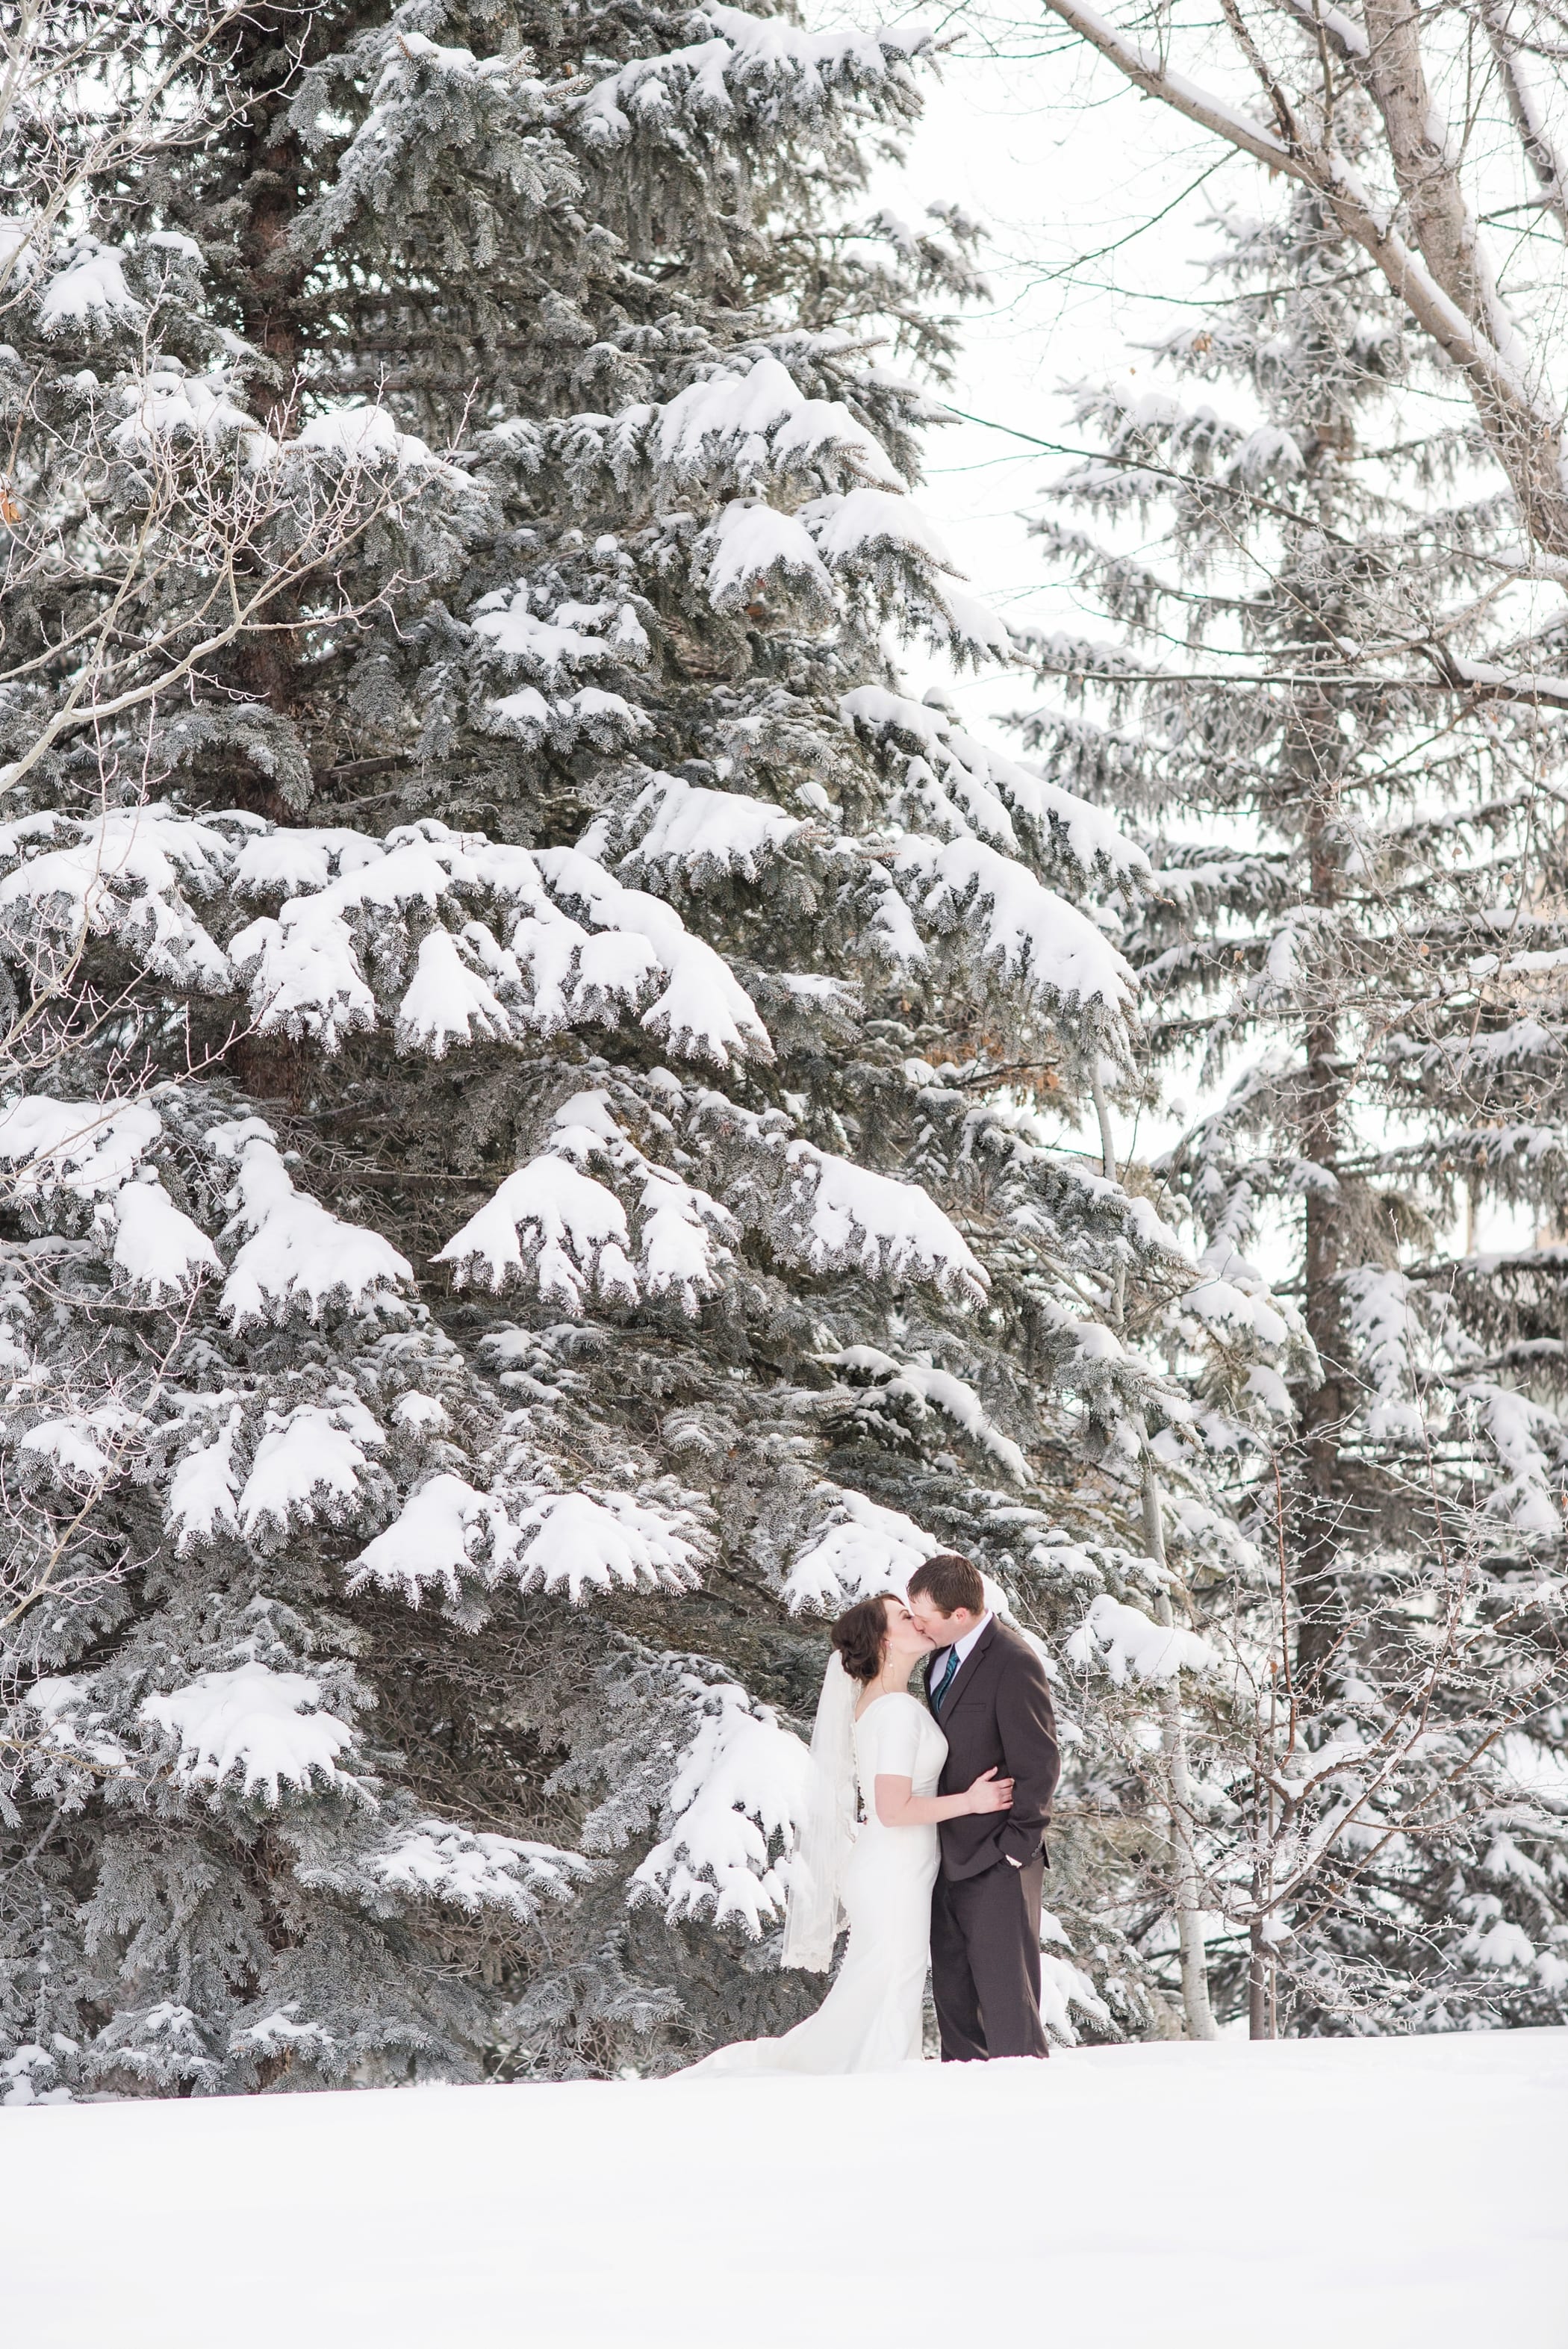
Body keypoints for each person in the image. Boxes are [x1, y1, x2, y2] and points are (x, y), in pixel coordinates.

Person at [681, 1591, 1012, 2074]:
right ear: (884, 1641)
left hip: (892, 1865)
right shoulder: (895, 1710)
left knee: (881, 1982)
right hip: (894, 1868)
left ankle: (862, 2075)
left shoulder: (882, 1704)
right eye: (904, 1615)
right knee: (892, 1979)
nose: (917, 1619)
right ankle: (876, 2084)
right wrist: (972, 1802)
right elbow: (893, 1808)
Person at [906, 1552, 1062, 2062]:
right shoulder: (939, 1657)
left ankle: (1027, 2116)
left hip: (998, 1861)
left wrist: (1014, 1851)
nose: (916, 1623)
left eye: (924, 1615)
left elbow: (1039, 1763)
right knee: (956, 2006)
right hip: (944, 1856)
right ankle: (966, 2118)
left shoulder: (1013, 1662)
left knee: (1008, 2010)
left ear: (960, 1615)